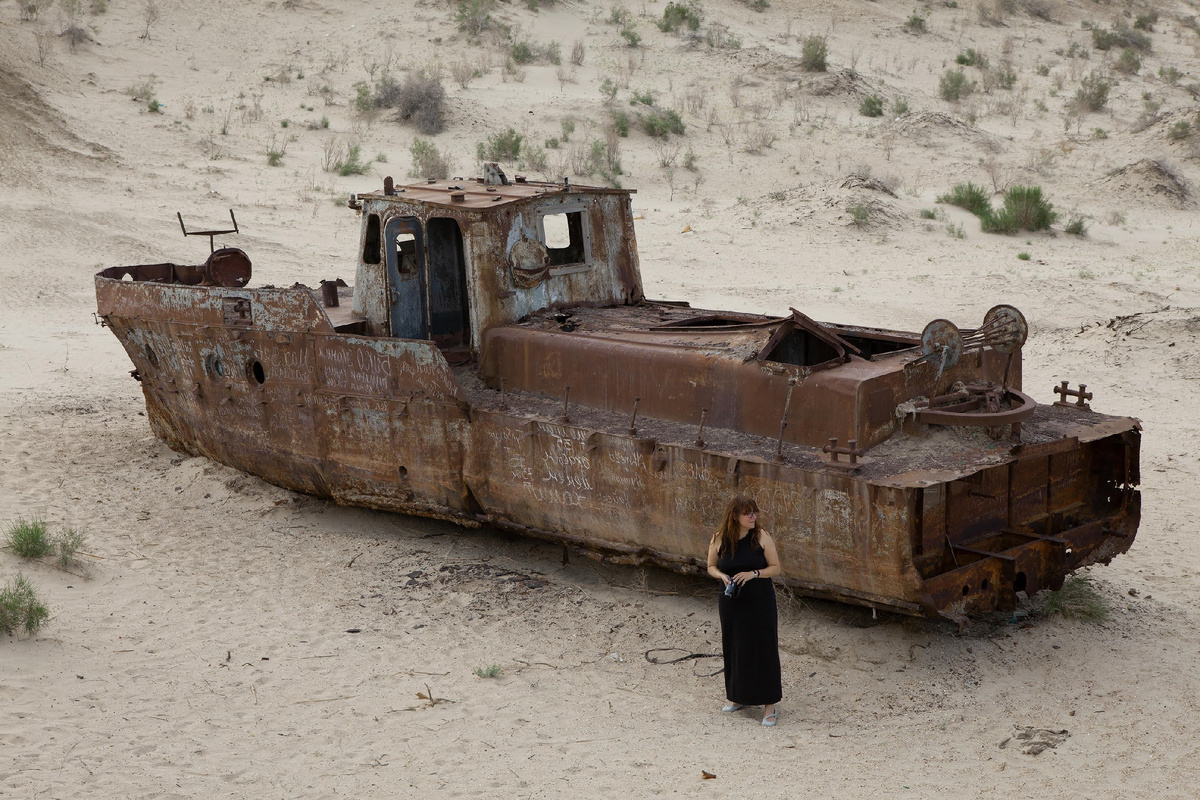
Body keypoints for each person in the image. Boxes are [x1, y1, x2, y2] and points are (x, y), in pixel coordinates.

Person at [706, 495, 782, 727]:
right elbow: (711, 566)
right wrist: (722, 576)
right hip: (731, 602)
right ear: (734, 516)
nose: (753, 517)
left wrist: (754, 574)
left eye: (754, 512)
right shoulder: (719, 538)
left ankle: (770, 704)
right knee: (735, 646)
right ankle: (738, 696)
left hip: (759, 601)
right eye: (747, 513)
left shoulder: (761, 536)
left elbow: (776, 568)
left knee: (763, 647)